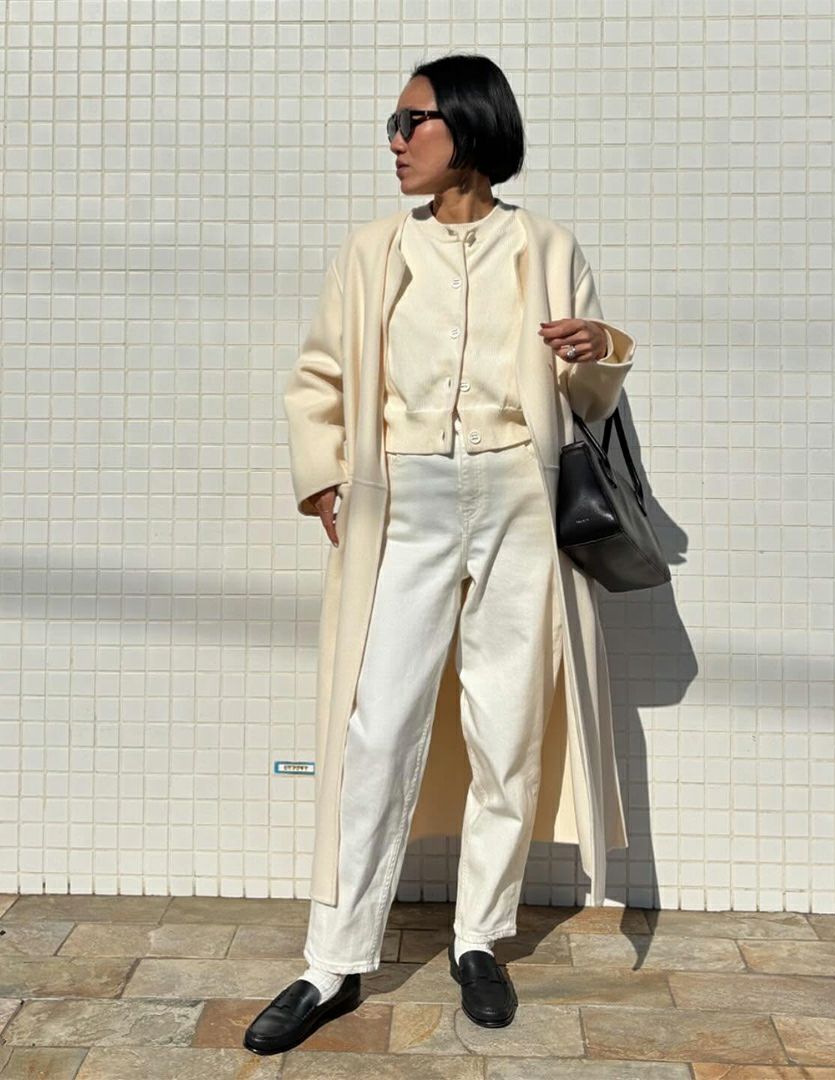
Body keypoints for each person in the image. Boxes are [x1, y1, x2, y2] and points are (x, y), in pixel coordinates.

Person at [244, 52, 635, 1058]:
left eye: (410, 120)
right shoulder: (374, 250)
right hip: (406, 500)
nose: (395, 140)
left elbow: (588, 402)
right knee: (376, 727)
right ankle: (333, 961)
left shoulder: (545, 246)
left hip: (518, 497)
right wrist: (323, 475)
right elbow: (320, 373)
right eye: (395, 122)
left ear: (469, 127)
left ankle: (478, 939)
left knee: (508, 724)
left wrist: (599, 352)